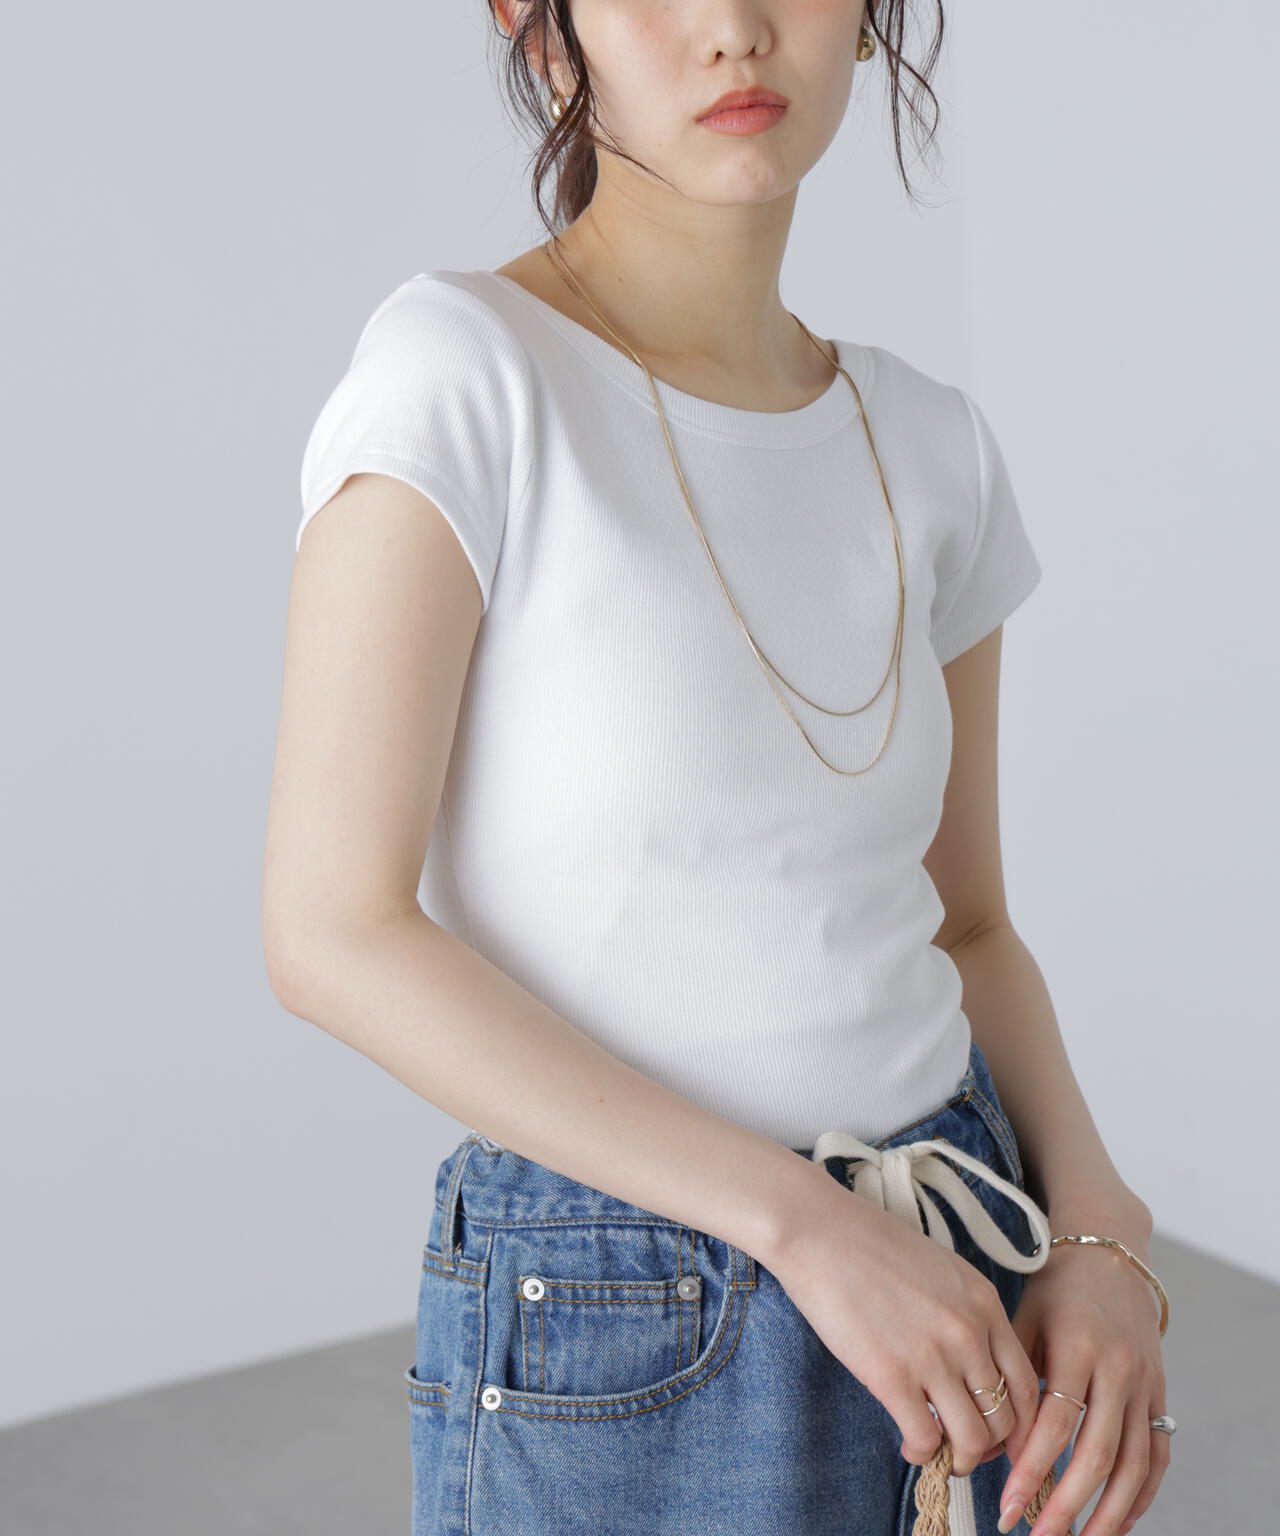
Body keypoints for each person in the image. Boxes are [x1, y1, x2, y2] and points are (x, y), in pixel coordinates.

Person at [262, 3, 1172, 1533]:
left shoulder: (931, 443)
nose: (736, 32)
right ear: (544, 33)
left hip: (960, 1263)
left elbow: (967, 927)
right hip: (627, 1309)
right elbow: (331, 932)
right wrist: (803, 1228)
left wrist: (1098, 1230)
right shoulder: (465, 374)